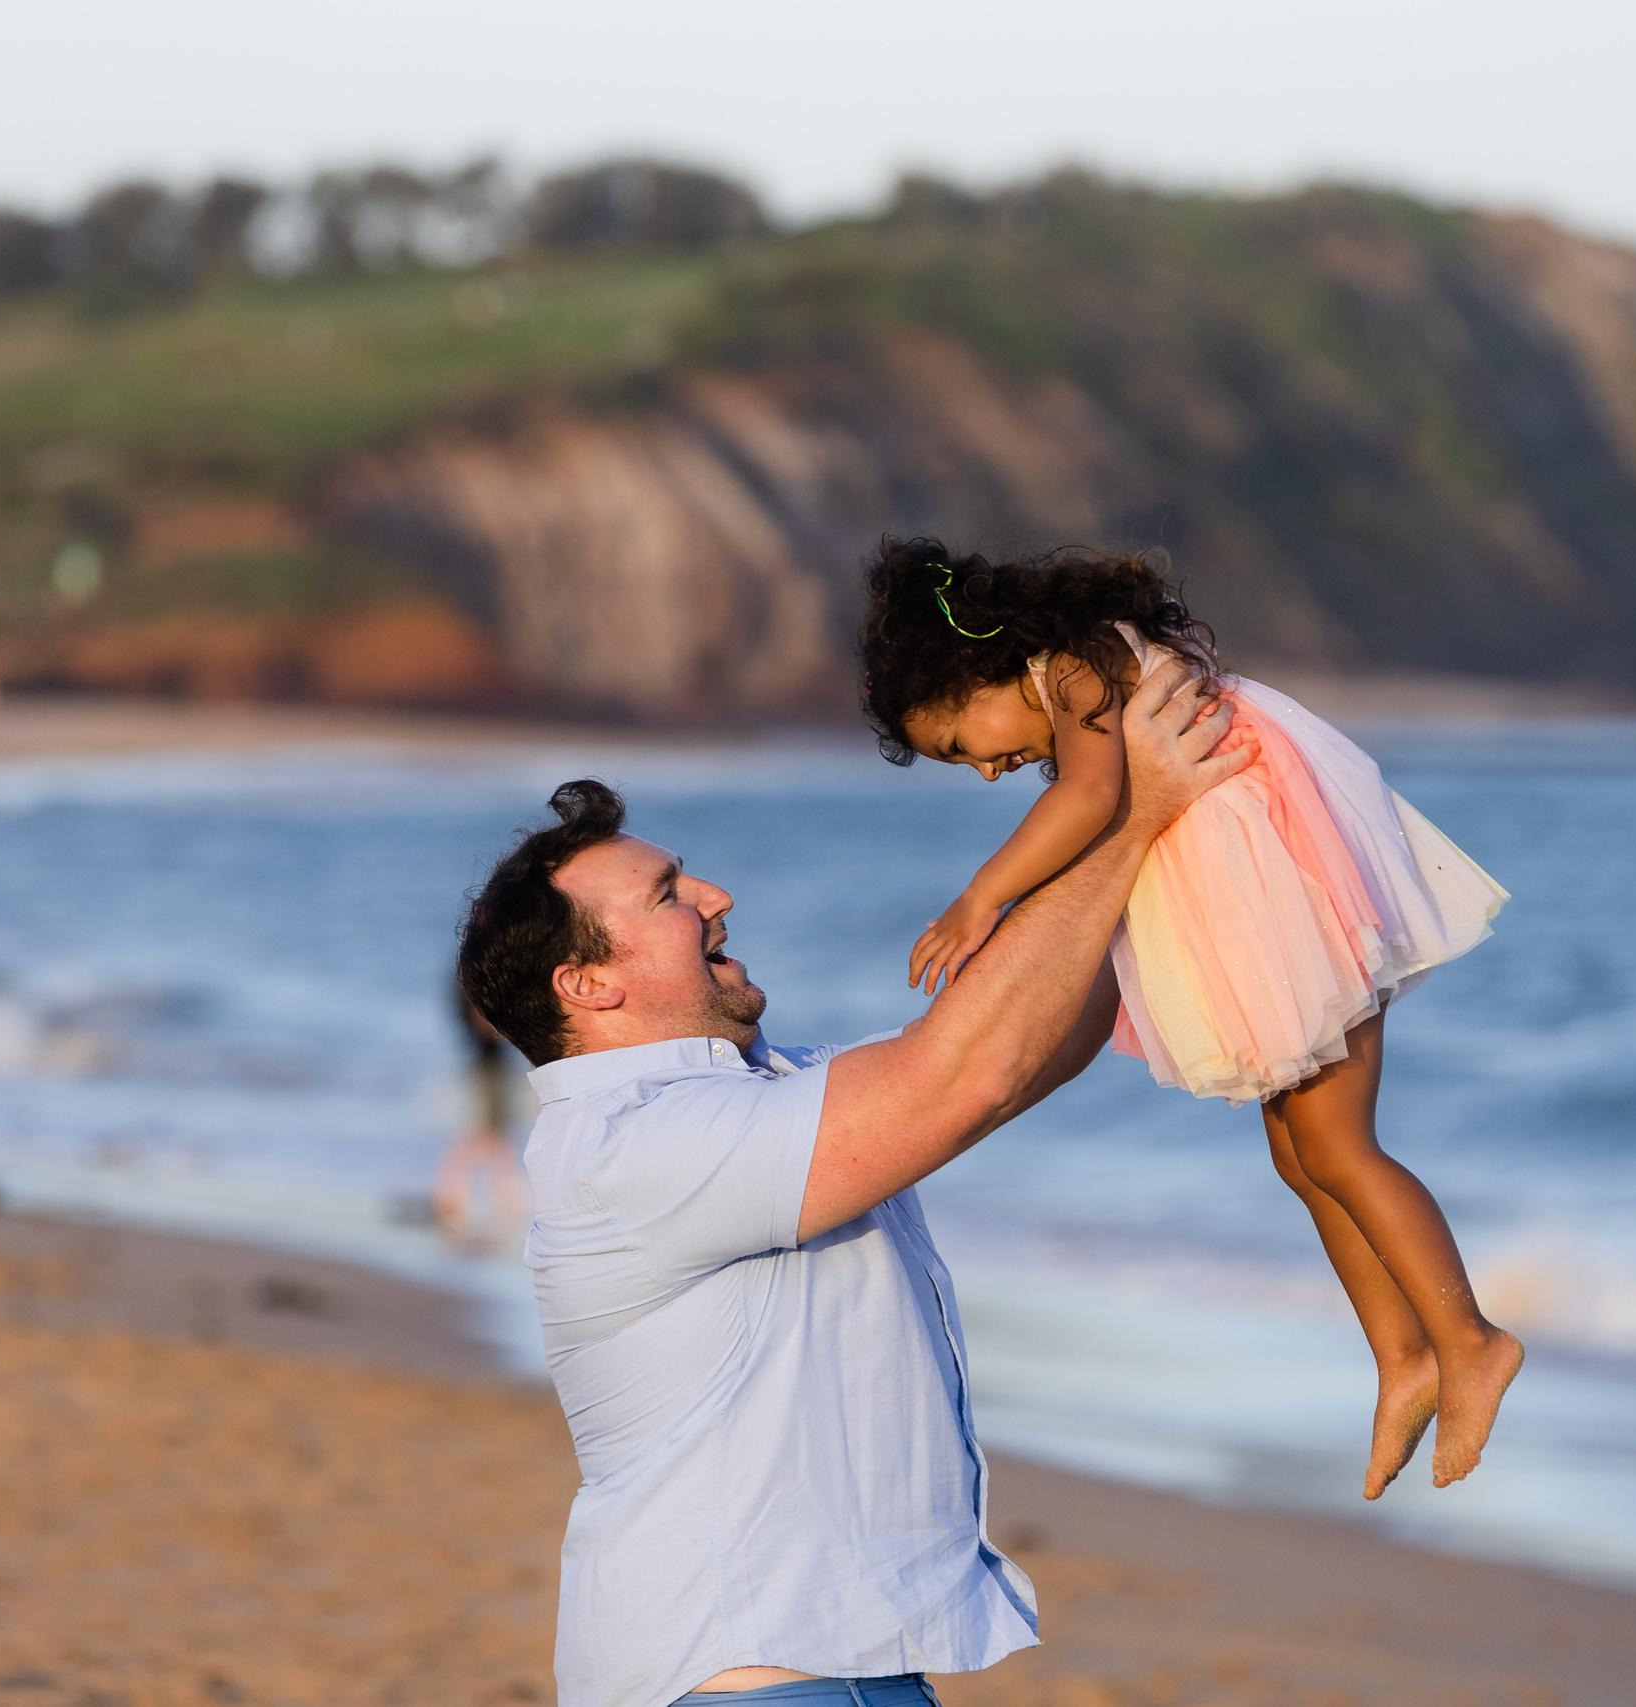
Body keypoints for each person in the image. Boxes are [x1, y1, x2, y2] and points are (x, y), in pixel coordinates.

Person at [454, 657, 1247, 1707]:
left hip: (834, 1668)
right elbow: (966, 1072)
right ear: (588, 983)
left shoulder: (759, 1095)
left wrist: (1123, 796)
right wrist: (1126, 819)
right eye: (668, 895)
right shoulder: (629, 1146)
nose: (714, 897)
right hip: (741, 1676)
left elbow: (1039, 1042)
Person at [857, 538, 1521, 1498]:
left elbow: (1090, 799)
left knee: (1336, 1144)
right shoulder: (1072, 672)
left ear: (980, 665)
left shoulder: (1078, 660)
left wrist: (981, 896)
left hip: (1278, 879)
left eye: (962, 743)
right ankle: (1403, 1355)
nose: (987, 769)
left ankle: (1472, 1339)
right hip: (1245, 887)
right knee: (1299, 1153)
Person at [429, 987, 531, 1252]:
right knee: (488, 1129)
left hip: (489, 1061)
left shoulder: (470, 996)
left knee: (489, 1129)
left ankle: (457, 1190)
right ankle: (470, 1191)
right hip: (487, 1062)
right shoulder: (475, 1006)